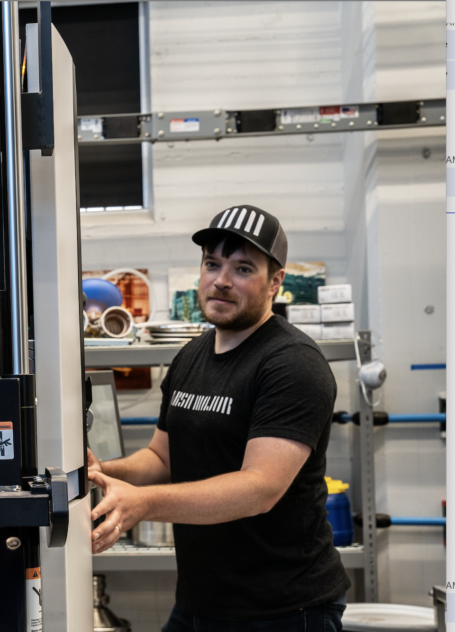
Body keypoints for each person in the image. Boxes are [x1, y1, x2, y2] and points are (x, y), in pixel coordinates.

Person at [87, 205, 350, 631]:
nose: (221, 281)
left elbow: (259, 488)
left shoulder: (292, 364)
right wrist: (101, 471)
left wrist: (143, 504)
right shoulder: (192, 355)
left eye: (243, 268)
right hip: (199, 601)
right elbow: (161, 458)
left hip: (282, 609)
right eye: (212, 264)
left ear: (275, 283)